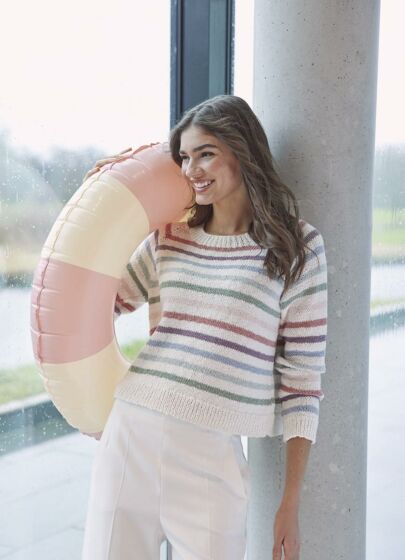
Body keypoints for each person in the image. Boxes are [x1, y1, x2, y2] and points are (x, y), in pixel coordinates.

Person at [81, 94, 328, 560]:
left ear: (243, 151)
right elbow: (100, 304)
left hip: (213, 456)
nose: (192, 169)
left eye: (206, 153)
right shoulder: (170, 237)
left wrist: (290, 503)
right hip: (132, 433)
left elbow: (303, 381)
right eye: (185, 157)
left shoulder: (298, 247)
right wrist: (96, 202)